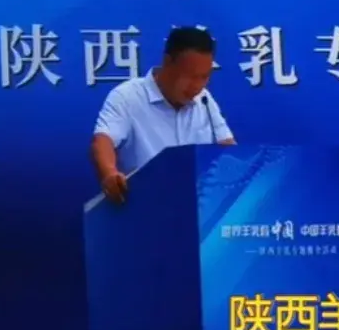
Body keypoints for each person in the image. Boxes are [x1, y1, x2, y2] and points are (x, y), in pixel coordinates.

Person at [90, 26, 236, 203]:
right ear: (168, 62)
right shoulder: (127, 96)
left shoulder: (204, 100)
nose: (197, 86)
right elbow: (103, 141)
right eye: (190, 76)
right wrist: (110, 173)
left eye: (204, 77)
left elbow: (227, 146)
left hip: (199, 207)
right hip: (145, 206)